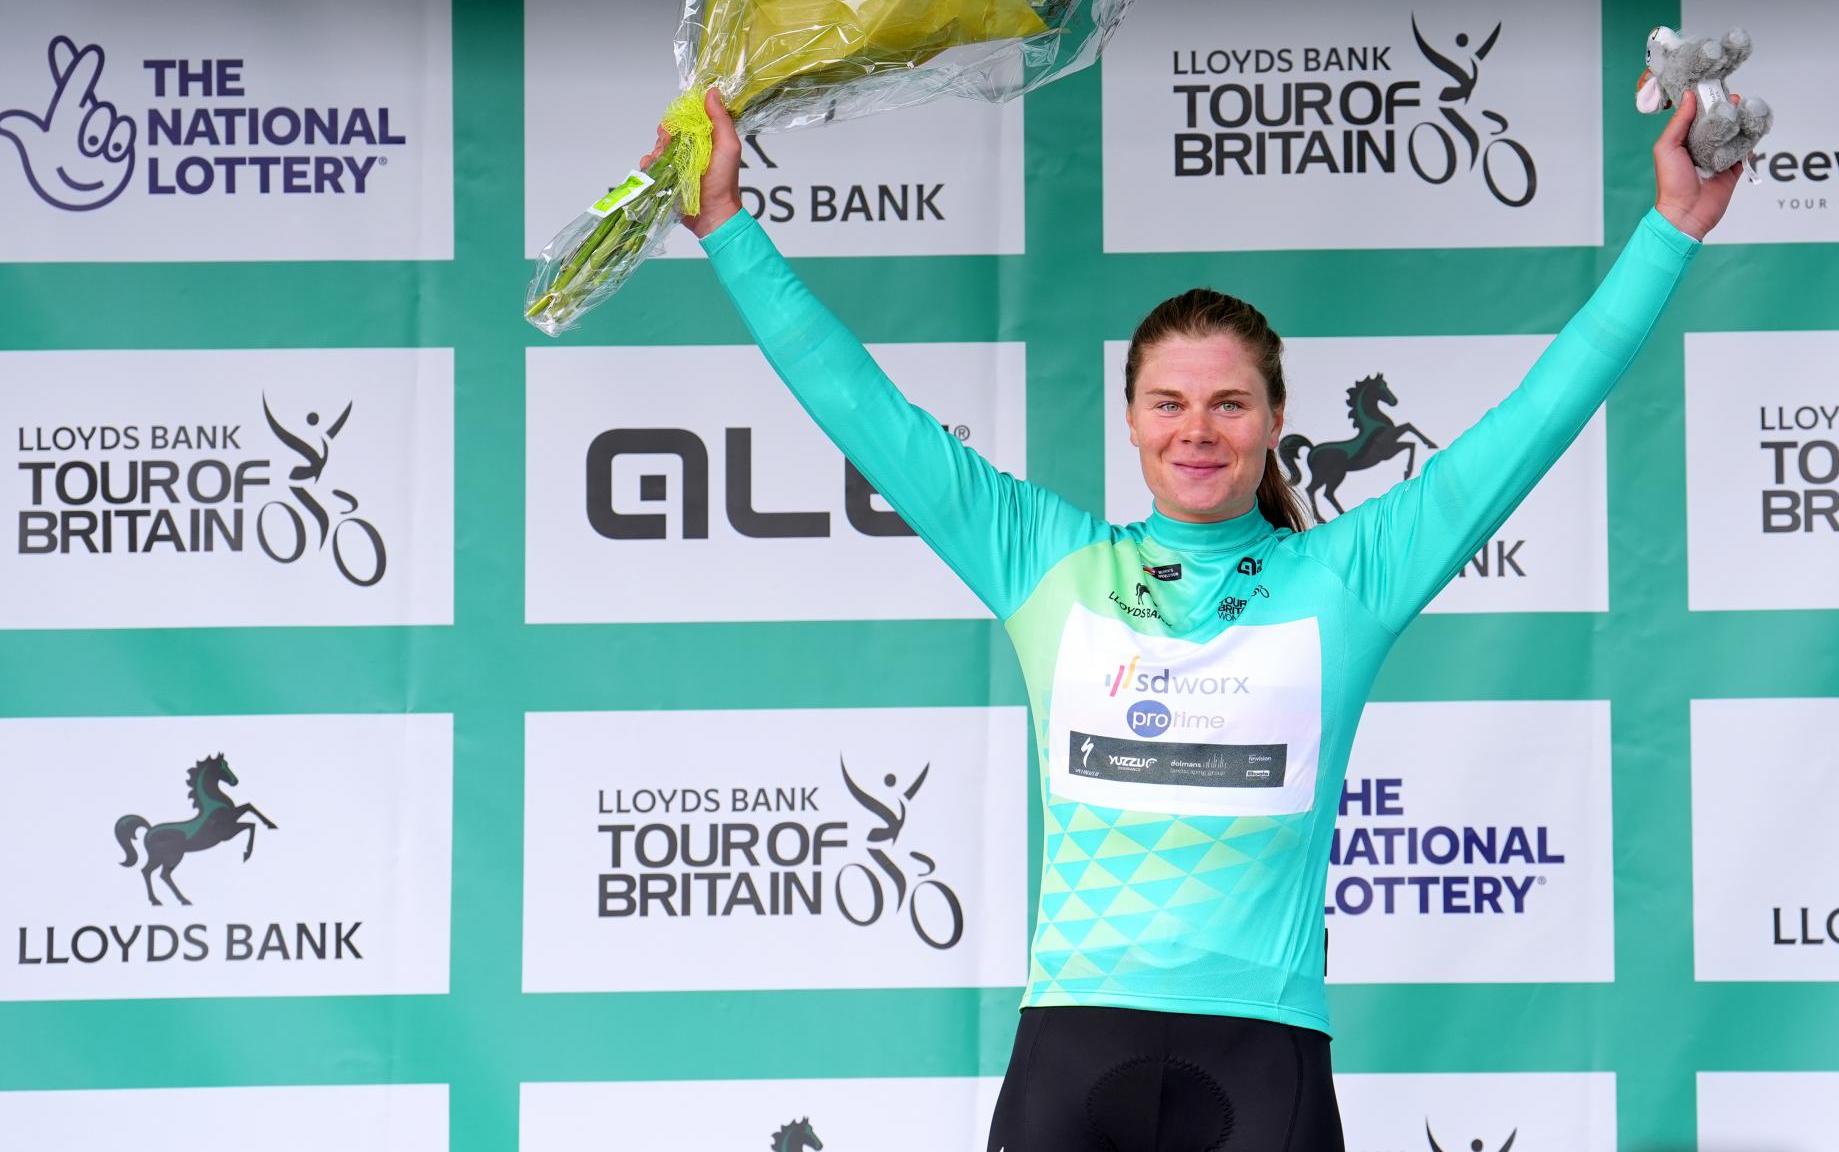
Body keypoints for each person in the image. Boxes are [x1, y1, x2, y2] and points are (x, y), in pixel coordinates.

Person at [643, 85, 1740, 1152]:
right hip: (1072, 1052)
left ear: (1274, 421)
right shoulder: (1046, 560)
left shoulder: (1348, 573)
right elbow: (862, 407)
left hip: (1264, 1063)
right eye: (1169, 401)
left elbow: (1534, 419)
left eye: (1230, 402)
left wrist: (1672, 229)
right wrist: (728, 226)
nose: (1198, 430)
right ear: (1129, 418)